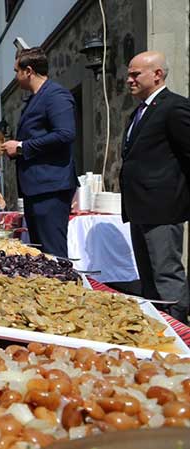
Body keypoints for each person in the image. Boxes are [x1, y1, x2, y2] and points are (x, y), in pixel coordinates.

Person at [120, 50, 190, 323]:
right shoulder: (138, 112)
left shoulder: (174, 107)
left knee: (166, 275)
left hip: (163, 209)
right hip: (139, 210)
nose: (129, 80)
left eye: (135, 74)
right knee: (148, 280)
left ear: (157, 74)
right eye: (129, 74)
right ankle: (158, 329)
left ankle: (181, 333)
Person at [2, 47, 77, 258]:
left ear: (28, 71)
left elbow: (65, 133)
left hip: (50, 187)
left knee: (53, 252)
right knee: (40, 252)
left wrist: (21, 147)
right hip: (37, 187)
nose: (15, 76)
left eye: (16, 70)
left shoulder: (55, 95)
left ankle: (65, 289)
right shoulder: (35, 98)